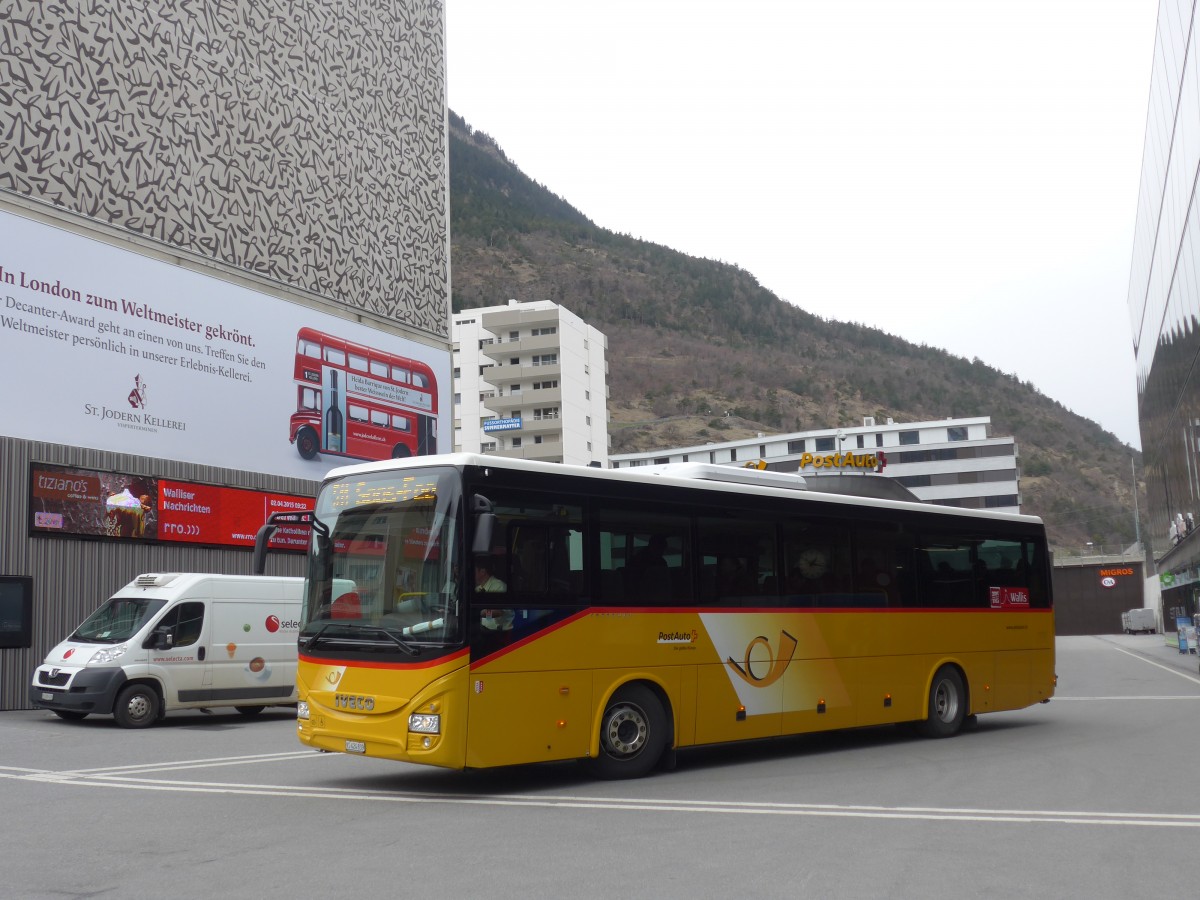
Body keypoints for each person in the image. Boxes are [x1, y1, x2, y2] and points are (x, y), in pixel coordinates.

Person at [475, 558, 512, 632]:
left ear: (482, 572)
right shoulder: (478, 589)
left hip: (498, 631)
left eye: (474, 571)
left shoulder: (499, 586)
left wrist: (481, 613)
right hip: (483, 628)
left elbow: (499, 612)